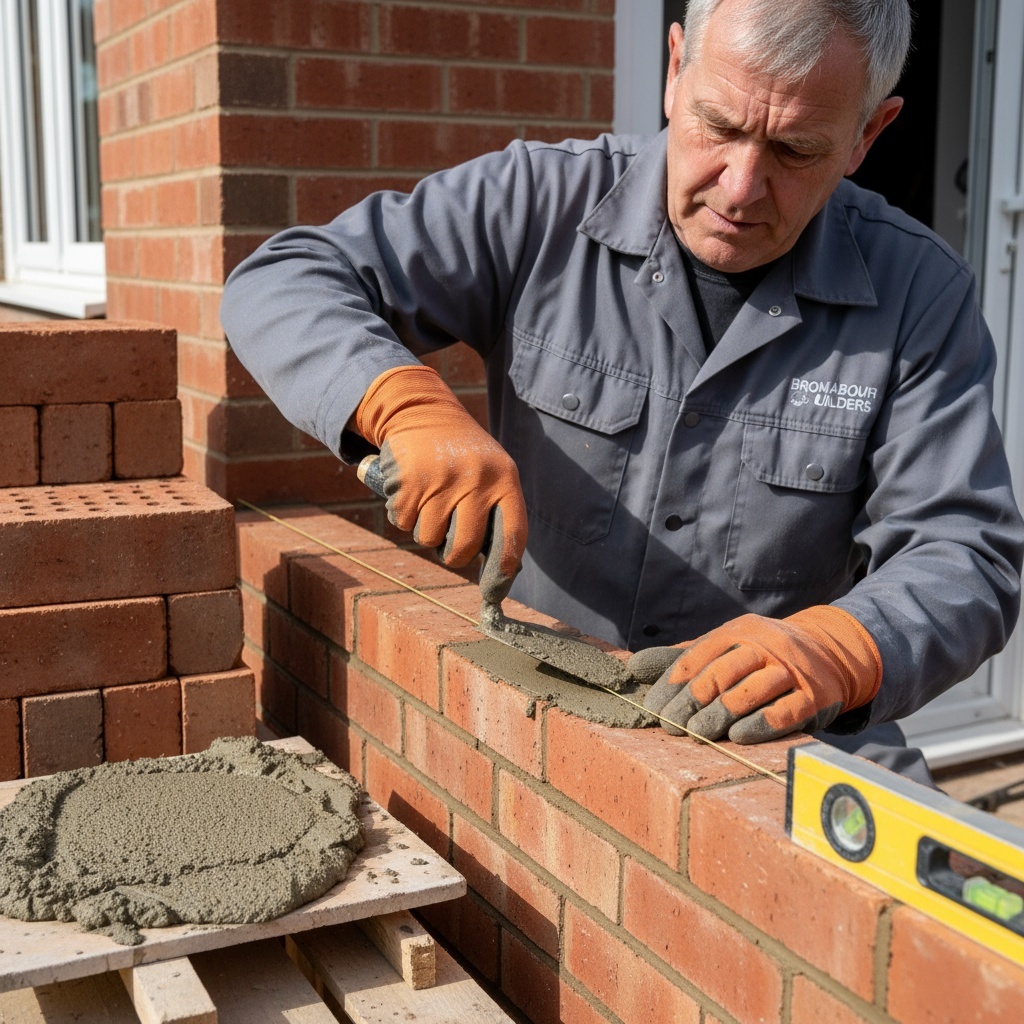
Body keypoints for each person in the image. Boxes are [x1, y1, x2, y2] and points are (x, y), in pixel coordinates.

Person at [221, 0, 1024, 783]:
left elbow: (967, 553)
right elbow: (284, 279)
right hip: (551, 707)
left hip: (777, 744)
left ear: (867, 134)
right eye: (720, 125)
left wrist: (847, 647)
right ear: (676, 70)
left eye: (795, 150)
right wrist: (399, 401)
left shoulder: (919, 294)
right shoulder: (538, 204)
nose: (741, 186)